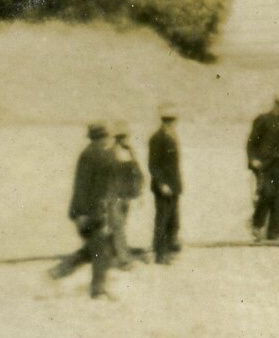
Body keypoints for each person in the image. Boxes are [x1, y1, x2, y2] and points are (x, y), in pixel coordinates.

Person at [50, 122, 116, 299]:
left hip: (95, 211)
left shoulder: (101, 154)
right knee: (101, 250)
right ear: (98, 138)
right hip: (87, 212)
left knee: (94, 249)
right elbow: (81, 186)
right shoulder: (89, 155)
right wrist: (80, 214)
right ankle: (98, 290)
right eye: (102, 137)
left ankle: (59, 271)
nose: (105, 140)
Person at [246, 95, 279, 241]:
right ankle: (257, 225)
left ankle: (274, 234)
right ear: (275, 105)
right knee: (266, 194)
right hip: (264, 165)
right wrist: (253, 160)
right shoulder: (262, 120)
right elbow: (251, 143)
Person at [148, 106, 182, 265]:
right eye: (168, 120)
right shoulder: (157, 138)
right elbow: (153, 165)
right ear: (164, 121)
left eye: (172, 120)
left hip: (173, 185)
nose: (171, 123)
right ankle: (160, 254)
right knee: (162, 219)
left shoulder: (172, 136)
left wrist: (176, 185)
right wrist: (162, 183)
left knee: (173, 218)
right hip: (163, 187)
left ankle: (169, 247)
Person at [107, 123, 144, 267]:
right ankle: (123, 260)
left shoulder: (130, 152)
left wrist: (138, 193)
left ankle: (113, 253)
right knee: (118, 227)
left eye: (126, 136)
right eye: (123, 137)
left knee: (119, 226)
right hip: (114, 196)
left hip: (125, 196)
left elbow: (138, 174)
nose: (126, 139)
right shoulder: (110, 154)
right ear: (118, 138)